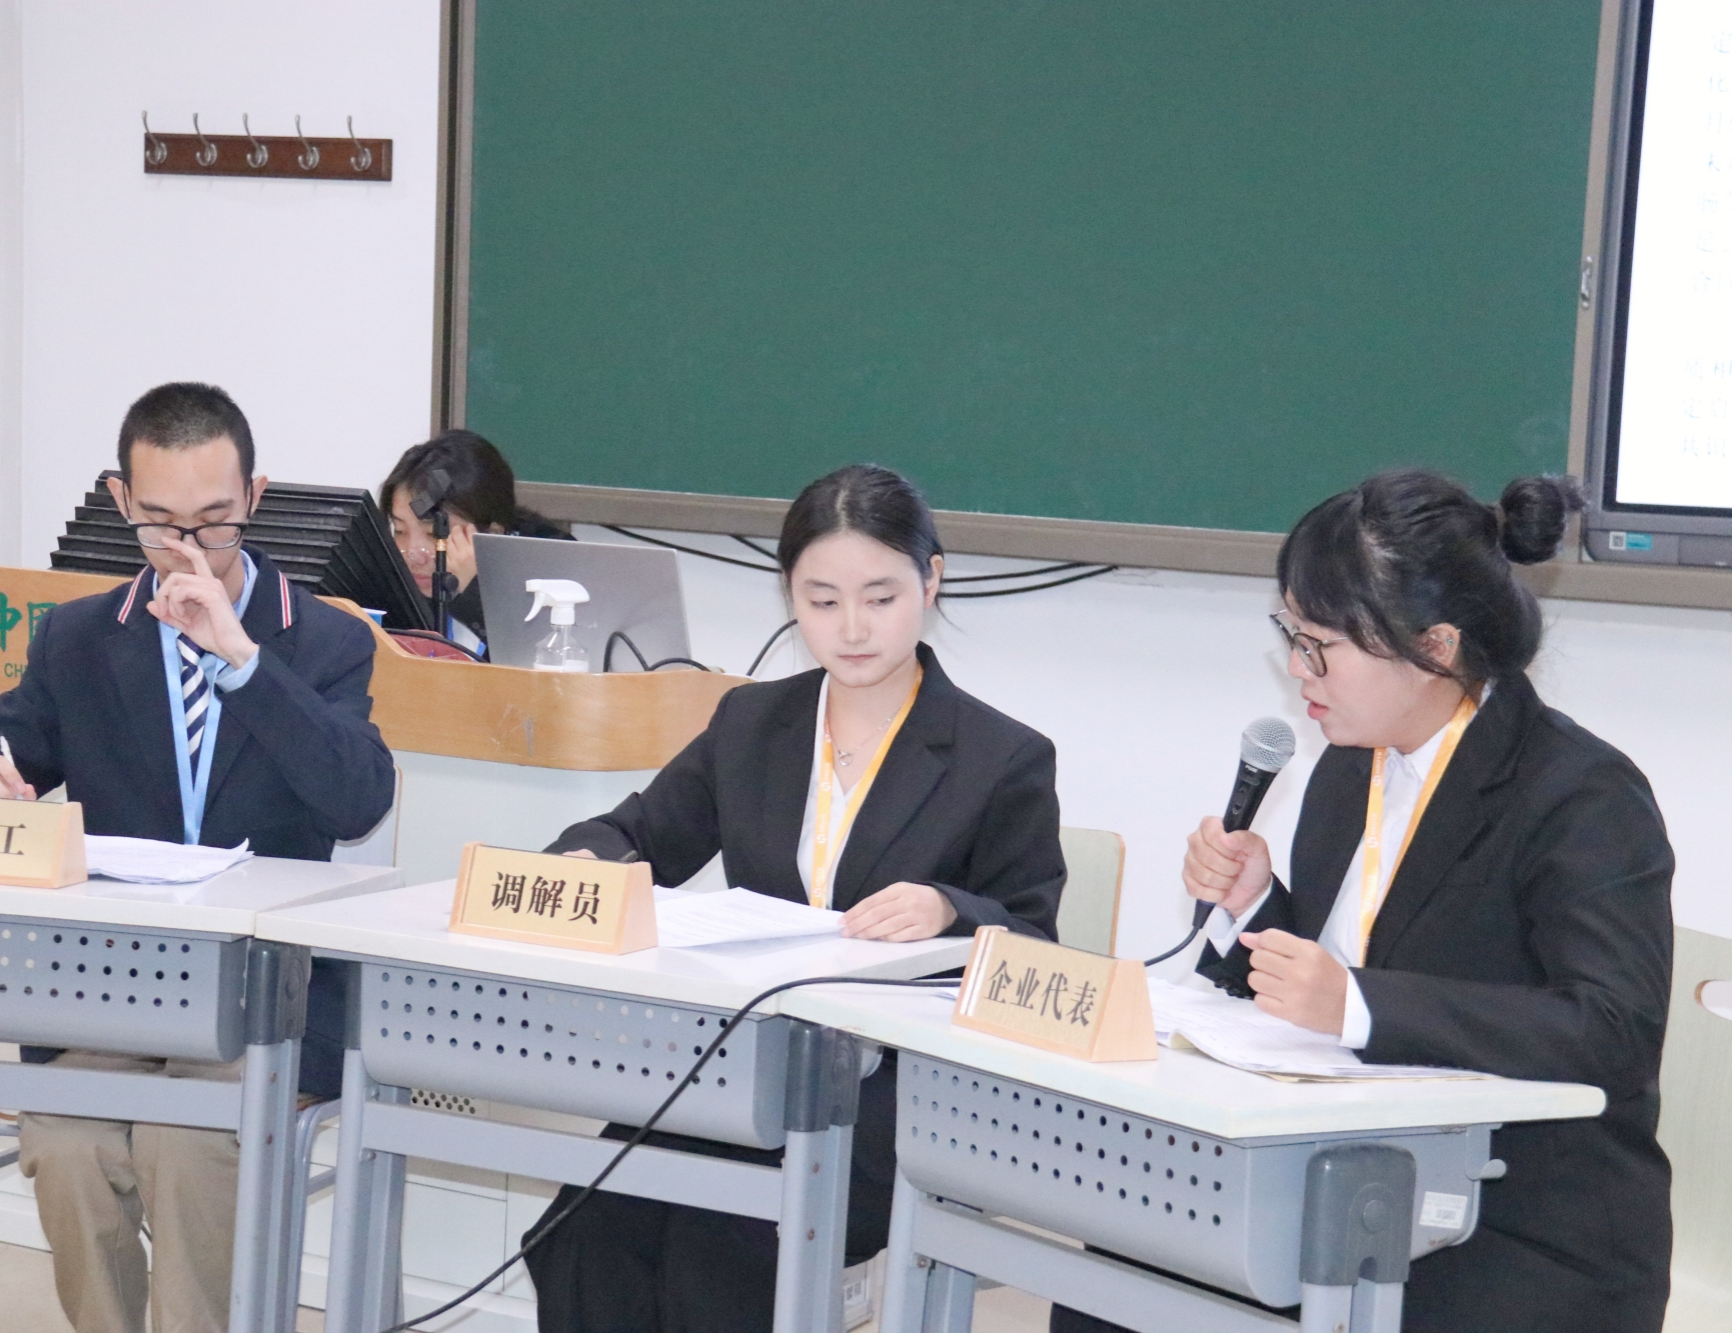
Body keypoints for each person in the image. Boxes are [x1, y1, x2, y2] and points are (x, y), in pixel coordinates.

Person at [1055, 471, 1673, 1333]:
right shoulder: (1351, 764)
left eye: (1321, 645)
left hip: (1519, 1221)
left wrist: (1358, 1003)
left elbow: (1612, 1031)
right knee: (1119, 1268)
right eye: (1290, 634)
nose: (1297, 668)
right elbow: (1330, 984)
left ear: (1436, 647)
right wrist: (1254, 909)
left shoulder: (1579, 791)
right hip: (1343, 1176)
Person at [521, 463, 1066, 1333]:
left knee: (716, 1246)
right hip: (738, 1066)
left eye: (880, 597)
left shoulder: (1000, 756)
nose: (852, 628)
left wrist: (949, 910)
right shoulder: (751, 723)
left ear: (930, 581)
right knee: (587, 1228)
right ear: (789, 595)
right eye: (822, 600)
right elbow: (638, 834)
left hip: (889, 1098)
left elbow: (1036, 945)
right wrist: (591, 863)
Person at [0, 382, 396, 1333]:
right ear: (120, 499)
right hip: (118, 989)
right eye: (161, 524)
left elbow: (358, 799)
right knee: (65, 1137)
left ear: (254, 496)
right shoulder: (82, 637)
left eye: (215, 523)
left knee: (187, 1141)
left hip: (270, 1001)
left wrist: (243, 661)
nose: (188, 551)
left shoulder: (325, 638)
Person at [379, 428, 571, 653]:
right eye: (400, 531)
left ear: (493, 534)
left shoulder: (553, 574)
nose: (413, 555)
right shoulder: (393, 581)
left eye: (434, 534)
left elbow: (528, 662)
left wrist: (470, 593)